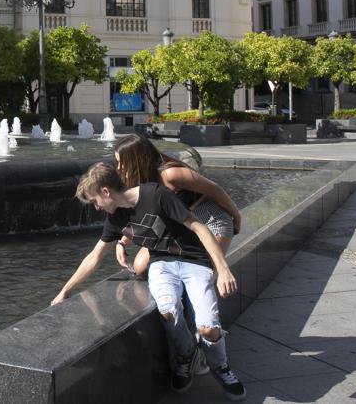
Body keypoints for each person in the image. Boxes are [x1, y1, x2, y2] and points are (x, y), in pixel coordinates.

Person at [52, 162, 246, 400]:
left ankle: (220, 365)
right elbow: (94, 257)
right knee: (167, 311)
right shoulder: (115, 218)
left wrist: (223, 269)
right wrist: (65, 292)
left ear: (106, 192)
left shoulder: (156, 194)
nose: (96, 207)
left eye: (94, 201)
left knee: (208, 327)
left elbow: (199, 227)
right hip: (161, 265)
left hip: (195, 261)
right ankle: (186, 355)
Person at [113, 134, 242, 275]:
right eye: (117, 162)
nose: (118, 168)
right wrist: (123, 241)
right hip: (179, 227)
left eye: (121, 162)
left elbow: (215, 189)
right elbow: (145, 216)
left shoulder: (170, 174)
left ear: (136, 161)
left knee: (201, 271)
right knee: (140, 267)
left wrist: (236, 217)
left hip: (209, 221)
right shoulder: (139, 181)